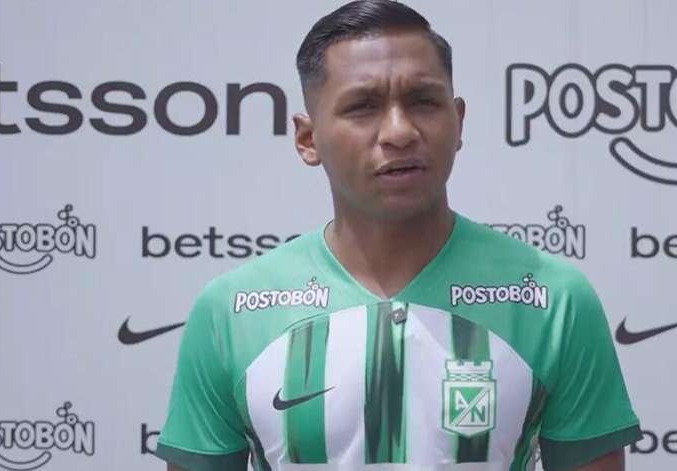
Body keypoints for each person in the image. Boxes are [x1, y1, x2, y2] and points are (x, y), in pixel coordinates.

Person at [155, 1, 641, 470]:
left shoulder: (553, 299)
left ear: (459, 121)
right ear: (308, 139)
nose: (399, 131)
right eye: (362, 107)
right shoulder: (231, 310)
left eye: (423, 101)